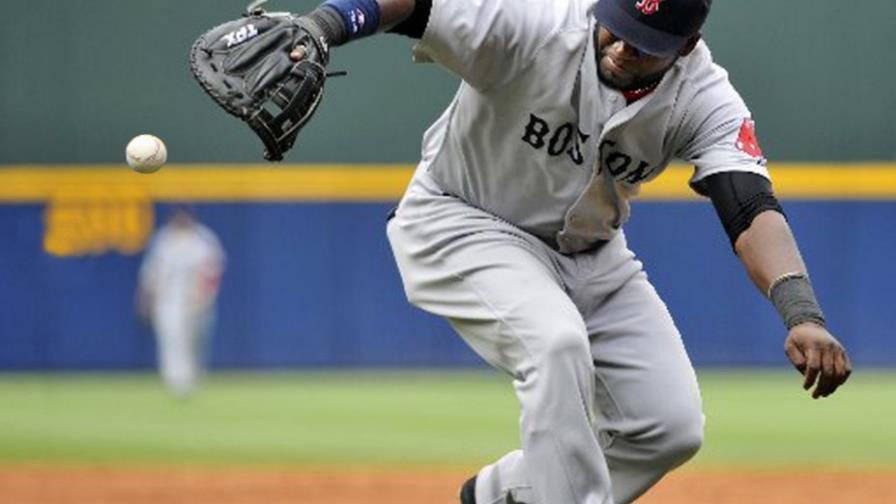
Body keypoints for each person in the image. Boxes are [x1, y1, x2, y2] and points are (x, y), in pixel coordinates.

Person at [289, 0, 853, 502]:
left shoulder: (704, 97)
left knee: (667, 426)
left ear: (686, 47)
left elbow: (749, 205)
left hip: (591, 253)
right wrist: (325, 23)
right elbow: (417, 4)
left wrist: (801, 312)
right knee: (555, 343)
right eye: (619, 25)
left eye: (646, 41)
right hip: (464, 219)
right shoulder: (537, 23)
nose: (623, 45)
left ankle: (505, 495)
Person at [136, 206, 225, 398]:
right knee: (171, 339)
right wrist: (145, 299)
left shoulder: (203, 240)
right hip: (168, 300)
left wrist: (205, 296)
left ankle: (193, 378)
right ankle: (176, 382)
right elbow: (151, 274)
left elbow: (213, 271)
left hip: (196, 299)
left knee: (195, 342)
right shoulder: (164, 240)